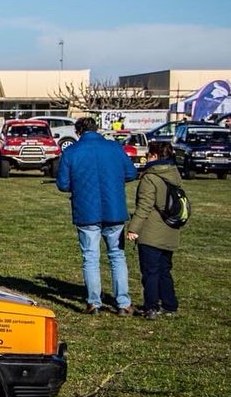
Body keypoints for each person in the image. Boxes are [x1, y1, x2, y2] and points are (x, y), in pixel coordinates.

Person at [56, 116, 138, 315]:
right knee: (117, 256)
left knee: (90, 257)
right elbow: (131, 173)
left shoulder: (71, 152)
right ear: (97, 129)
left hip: (86, 211)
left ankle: (94, 302)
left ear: (78, 133)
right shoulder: (114, 148)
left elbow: (63, 184)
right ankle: (123, 303)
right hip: (114, 209)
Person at [126, 141, 181, 320]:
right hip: (170, 229)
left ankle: (151, 306)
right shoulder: (173, 174)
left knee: (150, 272)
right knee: (164, 270)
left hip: (152, 231)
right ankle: (169, 304)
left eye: (149, 154)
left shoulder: (150, 177)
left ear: (155, 156)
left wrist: (133, 228)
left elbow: (144, 206)